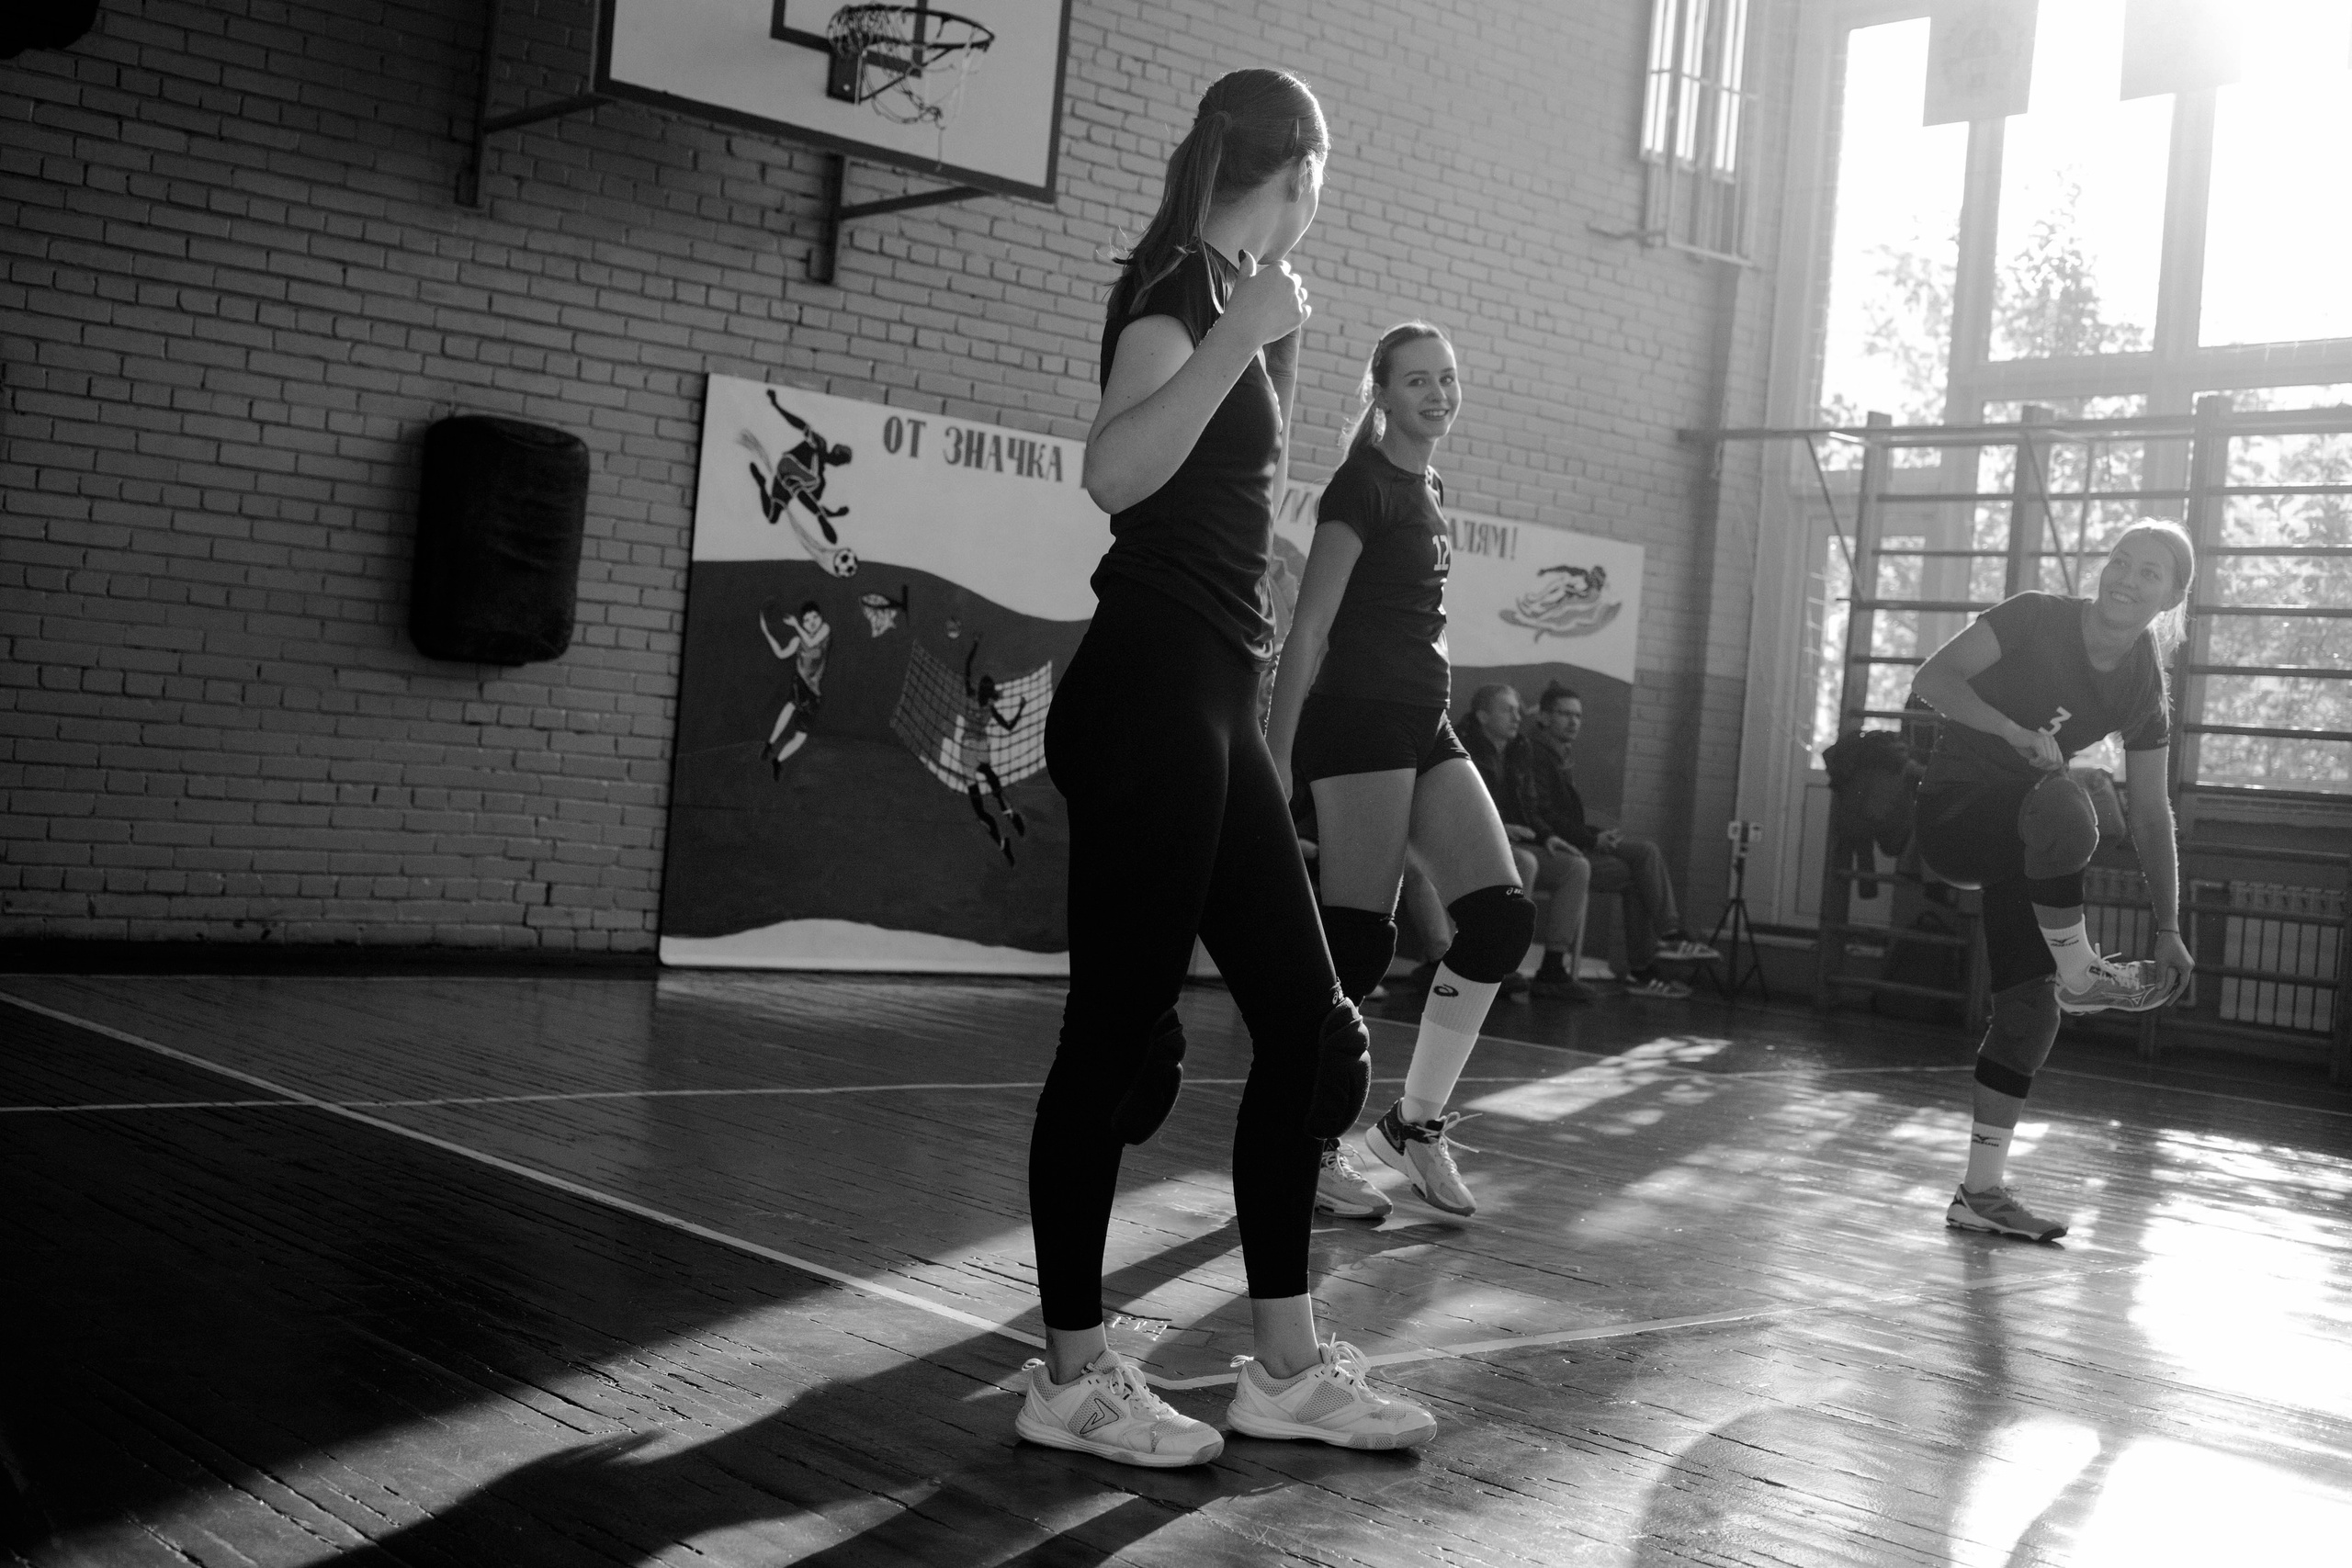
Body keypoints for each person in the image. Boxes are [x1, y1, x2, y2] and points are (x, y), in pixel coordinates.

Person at [1018, 68, 1435, 1470]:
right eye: (1326, 181)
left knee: (1315, 1035)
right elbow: (1113, 473)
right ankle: (1071, 1376)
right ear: (1300, 169)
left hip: (1213, 696)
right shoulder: (1178, 290)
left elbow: (1210, 486)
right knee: (1113, 1042)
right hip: (1147, 695)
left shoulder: (1238, 291)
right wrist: (1241, 335)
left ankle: (1286, 1370)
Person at [1265, 321, 1536, 1222]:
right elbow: (1308, 629)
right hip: (1357, 724)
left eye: (1447, 379)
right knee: (1357, 944)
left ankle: (1413, 1126)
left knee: (1499, 919)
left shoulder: (1429, 486)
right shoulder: (1362, 487)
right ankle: (1306, 1145)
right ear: (1380, 392)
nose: (1437, 394)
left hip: (1425, 724)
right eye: (1417, 380)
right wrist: (1277, 755)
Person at [1910, 521, 2198, 1243]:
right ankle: (2081, 971)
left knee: (2029, 1017)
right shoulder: (2036, 615)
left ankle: (1980, 1194)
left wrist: (2169, 927)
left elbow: (2152, 812)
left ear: (2171, 598)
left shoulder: (2143, 686)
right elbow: (1932, 679)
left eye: (2150, 572)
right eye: (2121, 561)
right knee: (2074, 802)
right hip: (1957, 812)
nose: (2127, 578)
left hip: (2024, 841)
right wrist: (2009, 729)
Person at [1525, 682, 1720, 995]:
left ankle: (1654, 955)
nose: (1574, 722)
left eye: (1578, 716)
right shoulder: (1536, 753)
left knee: (1641, 864)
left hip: (1572, 843)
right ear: (1545, 717)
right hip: (1550, 849)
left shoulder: (1558, 753)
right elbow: (1544, 814)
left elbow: (1563, 817)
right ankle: (1656, 951)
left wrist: (1595, 835)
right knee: (1642, 860)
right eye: (1565, 714)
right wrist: (1592, 840)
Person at [1457, 684, 1596, 1000]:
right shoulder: (1461, 748)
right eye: (1508, 710)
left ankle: (1552, 969)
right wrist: (1500, 828)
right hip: (1473, 840)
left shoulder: (1520, 750)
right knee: (1524, 862)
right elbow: (1458, 806)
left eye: (1518, 711)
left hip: (1512, 842)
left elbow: (1531, 808)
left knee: (1575, 867)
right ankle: (1500, 964)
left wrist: (1549, 836)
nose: (1517, 718)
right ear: (1482, 716)